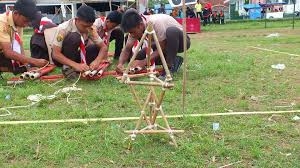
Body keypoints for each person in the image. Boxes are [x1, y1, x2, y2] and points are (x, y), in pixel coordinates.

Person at [116, 9, 191, 76]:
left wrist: (144, 62)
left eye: (133, 32)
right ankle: (175, 60)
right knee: (138, 56)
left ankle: (169, 67)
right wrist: (120, 64)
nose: (132, 35)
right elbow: (127, 49)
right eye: (130, 33)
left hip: (181, 41)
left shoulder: (155, 22)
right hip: (163, 44)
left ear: (140, 25)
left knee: (171, 31)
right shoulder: (134, 29)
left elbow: (162, 47)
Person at [52, 5, 108, 78]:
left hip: (76, 56)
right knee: (74, 37)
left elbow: (103, 47)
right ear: (77, 19)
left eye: (89, 26)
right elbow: (55, 54)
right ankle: (67, 67)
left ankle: (82, 66)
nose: (87, 29)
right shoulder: (63, 29)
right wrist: (75, 65)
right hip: (61, 59)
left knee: (96, 48)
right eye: (84, 26)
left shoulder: (90, 28)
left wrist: (97, 61)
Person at [0, 0, 48, 74]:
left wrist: (27, 66)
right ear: (16, 13)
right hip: (4, 52)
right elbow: (8, 52)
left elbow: (20, 45)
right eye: (25, 21)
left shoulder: (18, 23)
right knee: (15, 65)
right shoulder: (2, 22)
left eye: (29, 22)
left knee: (20, 67)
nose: (26, 25)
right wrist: (34, 61)